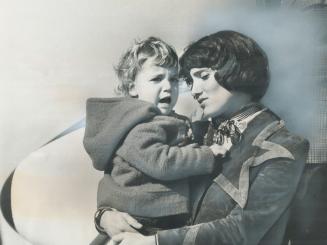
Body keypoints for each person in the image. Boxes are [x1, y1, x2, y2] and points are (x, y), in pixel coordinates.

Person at [97, 31, 310, 245]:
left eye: (203, 76)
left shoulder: (282, 147)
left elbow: (244, 229)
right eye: (190, 80)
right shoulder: (195, 131)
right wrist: (105, 216)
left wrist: (155, 242)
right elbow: (128, 177)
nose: (194, 90)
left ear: (236, 71)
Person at [83, 37, 229, 244]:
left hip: (158, 220)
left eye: (173, 79)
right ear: (132, 88)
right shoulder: (137, 124)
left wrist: (198, 127)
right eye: (156, 79)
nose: (168, 87)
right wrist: (207, 155)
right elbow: (162, 162)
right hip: (142, 221)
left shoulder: (165, 120)